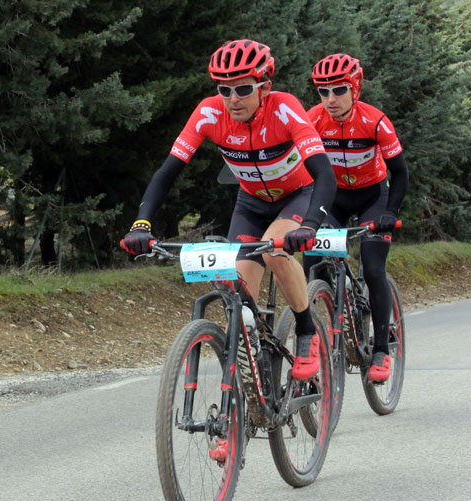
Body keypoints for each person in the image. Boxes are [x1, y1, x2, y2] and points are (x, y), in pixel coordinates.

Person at [122, 39, 336, 383]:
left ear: (264, 87)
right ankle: (251, 385)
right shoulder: (209, 112)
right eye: (224, 89)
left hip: (298, 194)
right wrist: (141, 224)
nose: (233, 98)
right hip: (251, 203)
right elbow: (167, 172)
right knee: (238, 293)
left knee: (276, 253)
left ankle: (306, 329)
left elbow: (325, 173)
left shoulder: (284, 108)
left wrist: (310, 225)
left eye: (243, 88)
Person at [304, 53, 409, 383]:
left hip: (372, 196)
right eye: (323, 92)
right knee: (312, 259)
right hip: (334, 199)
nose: (330, 99)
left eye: (338, 90)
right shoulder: (313, 120)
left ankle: (380, 350)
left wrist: (390, 213)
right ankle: (319, 315)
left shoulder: (375, 121)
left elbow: (400, 173)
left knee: (373, 266)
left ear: (355, 89)